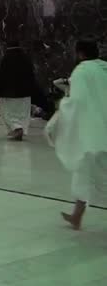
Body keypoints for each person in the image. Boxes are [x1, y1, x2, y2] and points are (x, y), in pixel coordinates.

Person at [46, 40, 107, 229]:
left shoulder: (81, 71)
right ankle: (76, 216)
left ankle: (77, 216)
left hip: (92, 132)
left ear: (80, 53)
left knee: (86, 172)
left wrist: (61, 109)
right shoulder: (105, 68)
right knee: (85, 174)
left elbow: (76, 102)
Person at [0, 41, 38, 141]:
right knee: (22, 113)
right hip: (25, 93)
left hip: (9, 93)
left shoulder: (6, 58)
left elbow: (1, 76)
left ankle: (16, 128)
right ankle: (19, 128)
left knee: (8, 112)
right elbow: (32, 76)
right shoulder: (26, 58)